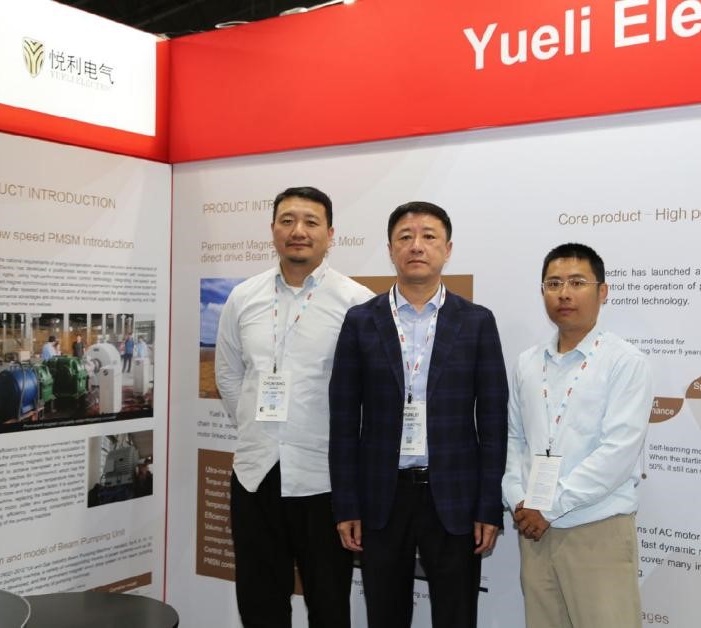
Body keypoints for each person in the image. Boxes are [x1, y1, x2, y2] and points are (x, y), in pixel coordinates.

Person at [329, 201, 508, 628]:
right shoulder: (361, 321)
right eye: (405, 237)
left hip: (454, 497)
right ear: (391, 249)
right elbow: (343, 420)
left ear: (448, 249)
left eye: (429, 236)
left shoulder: (476, 322)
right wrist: (346, 503)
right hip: (381, 496)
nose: (416, 246)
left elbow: (493, 422)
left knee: (456, 615)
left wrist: (488, 505)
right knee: (385, 615)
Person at [216, 186, 373, 628]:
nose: (297, 231)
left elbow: (368, 395)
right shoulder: (243, 297)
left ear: (330, 234)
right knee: (260, 603)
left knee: (328, 605)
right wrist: (259, 428)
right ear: (273, 230)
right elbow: (229, 375)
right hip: (255, 474)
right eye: (287, 221)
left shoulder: (356, 303)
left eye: (310, 222)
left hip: (322, 479)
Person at [502, 243, 653, 628]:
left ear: (603, 292)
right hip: (534, 531)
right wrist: (518, 499)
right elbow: (514, 440)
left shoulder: (625, 362)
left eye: (576, 282)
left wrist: (549, 507)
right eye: (553, 283)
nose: (564, 293)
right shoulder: (527, 363)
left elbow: (617, 453)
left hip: (595, 529)